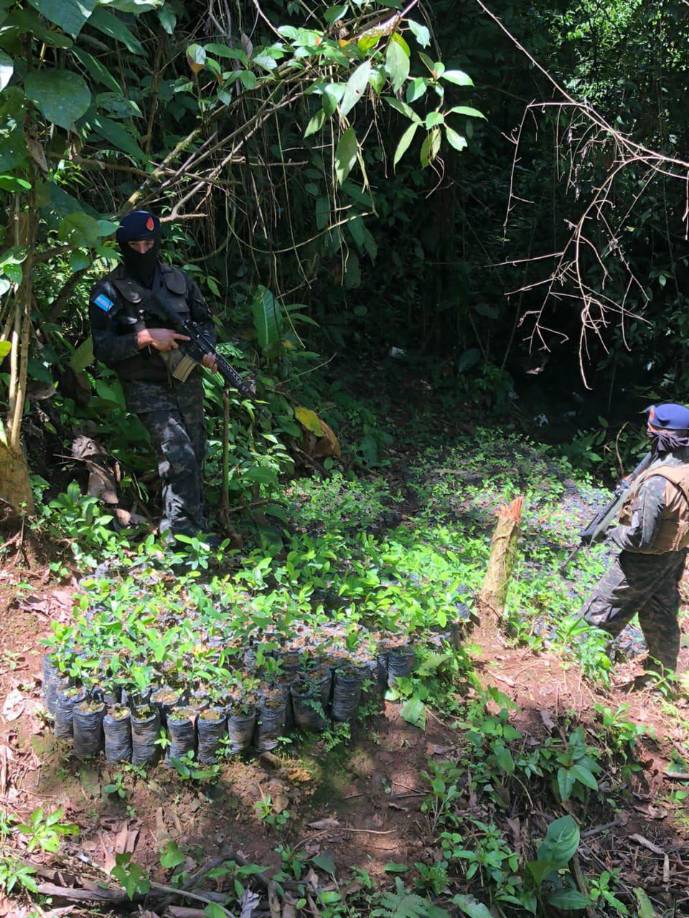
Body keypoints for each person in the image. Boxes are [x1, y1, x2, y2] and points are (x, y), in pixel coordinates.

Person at [89, 209, 220, 544]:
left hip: (185, 378)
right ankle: (182, 539)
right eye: (136, 244)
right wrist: (145, 338)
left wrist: (206, 349)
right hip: (145, 385)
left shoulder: (178, 281)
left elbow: (205, 322)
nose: (144, 251)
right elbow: (103, 348)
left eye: (150, 243)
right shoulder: (107, 291)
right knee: (179, 455)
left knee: (195, 453)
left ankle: (190, 528)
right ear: (123, 245)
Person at [582, 403, 689, 679]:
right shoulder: (682, 467)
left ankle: (581, 673)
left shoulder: (657, 483)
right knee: (661, 615)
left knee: (600, 612)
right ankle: (661, 677)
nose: (647, 431)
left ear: (663, 436)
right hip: (674, 554)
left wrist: (610, 533)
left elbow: (641, 539)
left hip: (643, 561)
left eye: (651, 427)